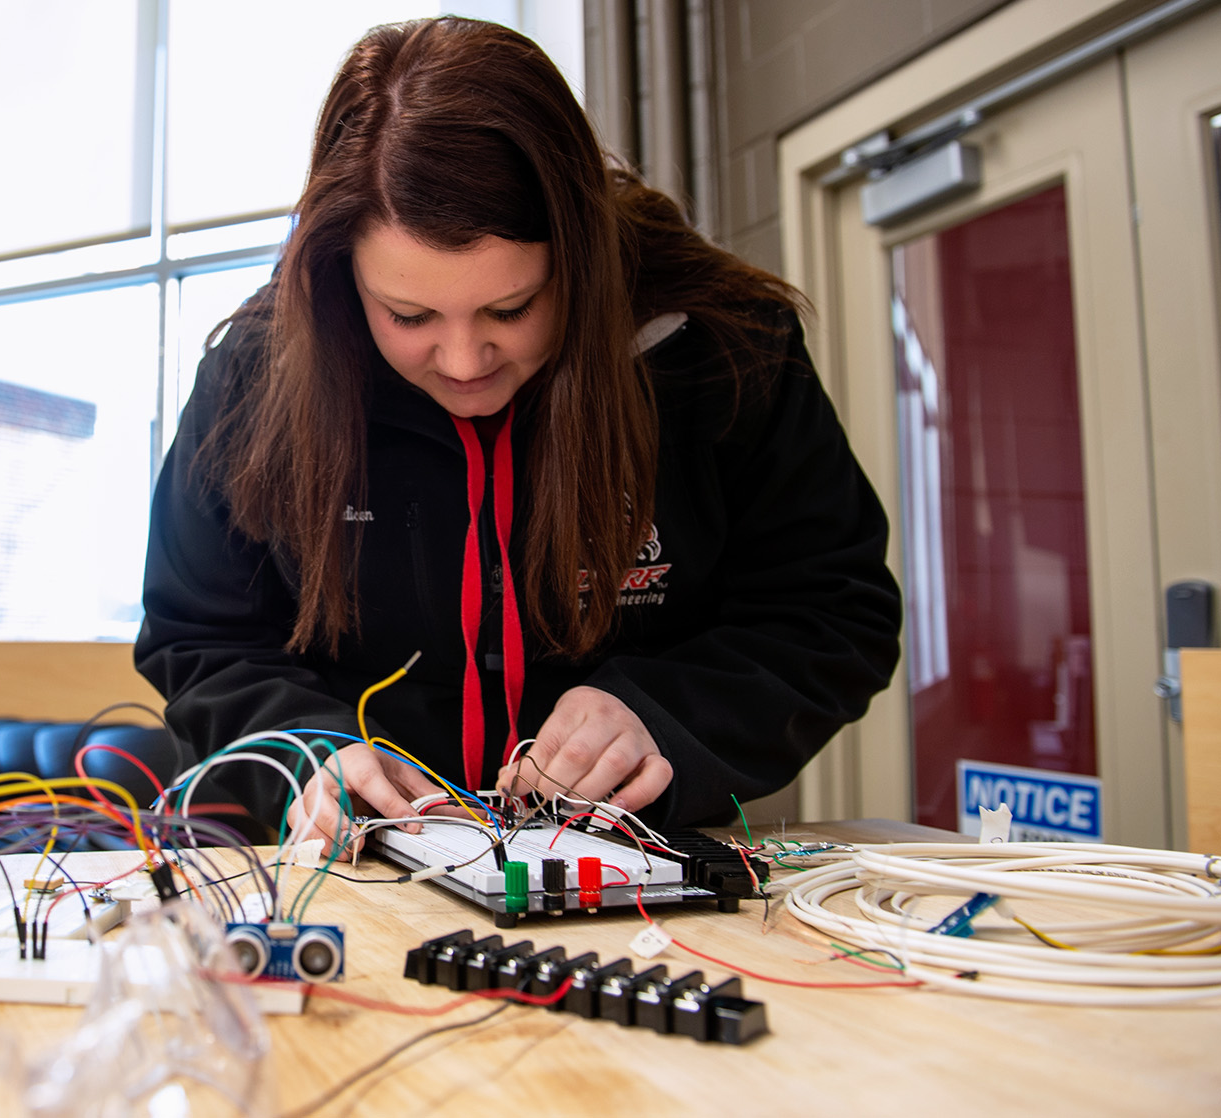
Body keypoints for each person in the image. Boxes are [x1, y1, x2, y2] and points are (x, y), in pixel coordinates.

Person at [135, 16, 901, 852]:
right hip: (350, 878)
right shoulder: (258, 381)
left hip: (638, 885)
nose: (464, 362)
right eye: (410, 315)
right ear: (343, 270)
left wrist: (665, 717)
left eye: (511, 309)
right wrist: (308, 753)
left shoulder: (717, 349)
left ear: (578, 254)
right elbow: (200, 638)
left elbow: (832, 614)